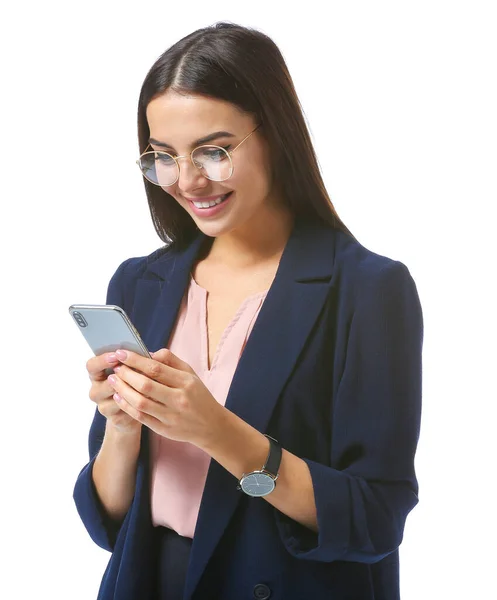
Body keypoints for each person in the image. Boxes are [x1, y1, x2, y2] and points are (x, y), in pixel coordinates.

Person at [73, 21, 423, 600]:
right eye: (163, 156)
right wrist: (122, 428)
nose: (186, 181)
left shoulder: (366, 289)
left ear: (276, 134)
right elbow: (110, 519)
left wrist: (219, 433)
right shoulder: (141, 282)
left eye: (213, 151)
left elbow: (374, 518)